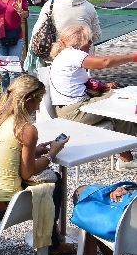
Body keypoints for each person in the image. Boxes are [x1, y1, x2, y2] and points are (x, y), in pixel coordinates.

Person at [0, 75, 75, 255]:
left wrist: (34, 151)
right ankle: (51, 244)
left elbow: (8, 152)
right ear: (28, 100)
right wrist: (52, 154)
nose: (38, 107)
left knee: (46, 176)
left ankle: (51, 241)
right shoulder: (25, 128)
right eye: (38, 102)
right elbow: (27, 173)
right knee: (54, 180)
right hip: (4, 206)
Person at [49, 24, 137, 170]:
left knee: (116, 102)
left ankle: (126, 156)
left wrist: (104, 86)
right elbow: (105, 63)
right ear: (80, 42)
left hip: (68, 108)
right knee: (119, 102)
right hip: (74, 111)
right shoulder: (73, 54)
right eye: (89, 40)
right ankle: (126, 156)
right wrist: (132, 57)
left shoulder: (64, 54)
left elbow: (82, 81)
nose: (91, 44)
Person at [31, 0, 102, 48]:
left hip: (58, 53)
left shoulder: (50, 5)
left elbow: (37, 31)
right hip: (84, 54)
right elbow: (96, 35)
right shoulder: (89, 6)